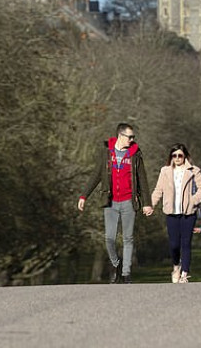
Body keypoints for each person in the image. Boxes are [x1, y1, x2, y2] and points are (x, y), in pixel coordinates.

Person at [77, 122, 153, 284]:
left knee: (128, 238)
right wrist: (84, 196)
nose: (132, 140)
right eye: (129, 137)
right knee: (109, 239)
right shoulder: (107, 153)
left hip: (128, 201)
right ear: (120, 135)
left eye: (133, 137)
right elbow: (96, 175)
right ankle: (116, 265)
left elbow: (143, 180)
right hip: (110, 201)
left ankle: (126, 274)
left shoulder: (135, 154)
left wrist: (147, 203)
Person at [150, 143, 201, 283]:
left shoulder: (194, 171)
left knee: (186, 243)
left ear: (185, 156)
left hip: (188, 213)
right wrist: (150, 205)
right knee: (174, 244)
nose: (177, 158)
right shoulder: (165, 171)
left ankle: (185, 273)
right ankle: (176, 265)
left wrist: (193, 200)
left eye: (180, 155)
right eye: (174, 155)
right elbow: (158, 190)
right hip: (171, 212)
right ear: (171, 156)